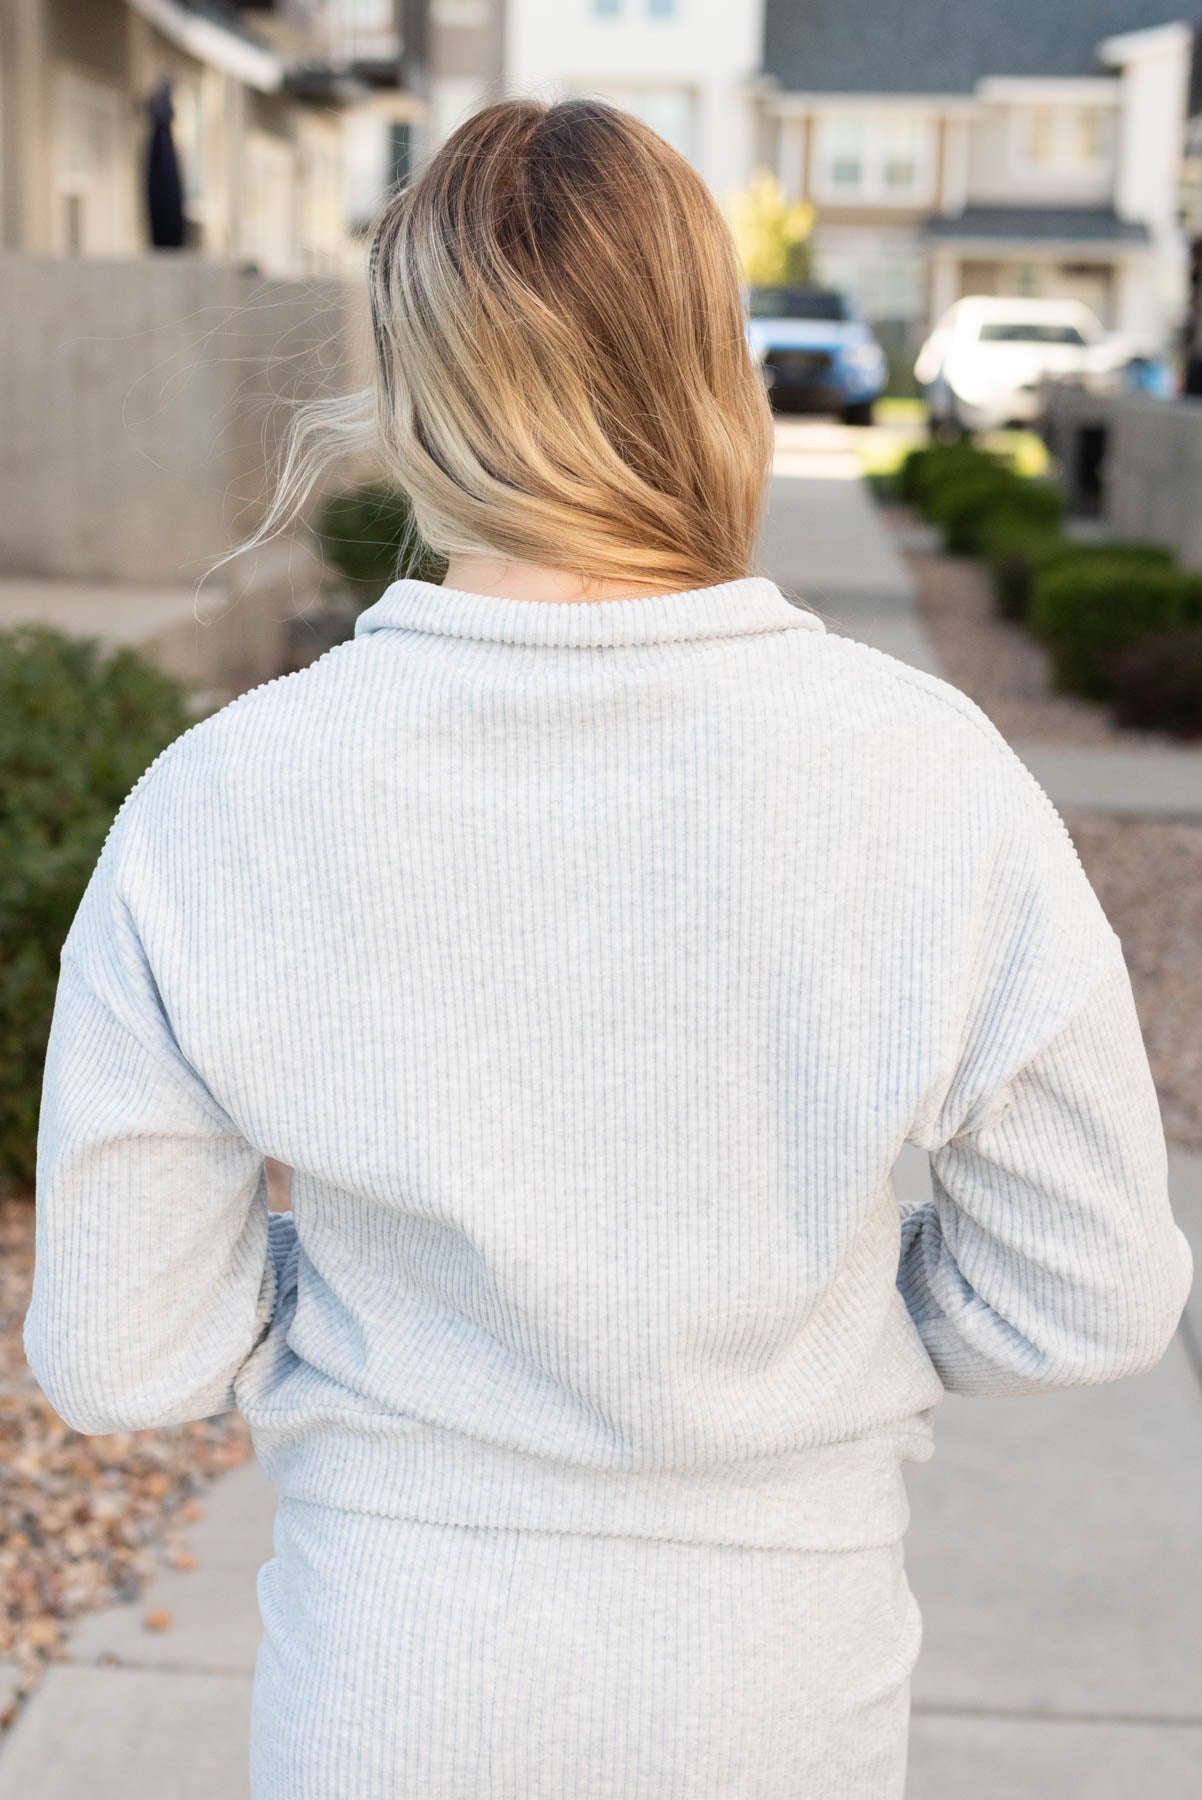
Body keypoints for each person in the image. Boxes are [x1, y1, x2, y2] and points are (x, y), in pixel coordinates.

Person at [24, 97, 1193, 1800]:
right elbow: (1086, 1296)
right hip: (781, 1695)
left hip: (390, 1689)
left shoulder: (225, 798)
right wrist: (794, 1334)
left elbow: (124, 1360)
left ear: (411, 386)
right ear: (711, 366)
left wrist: (381, 1332)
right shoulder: (924, 777)